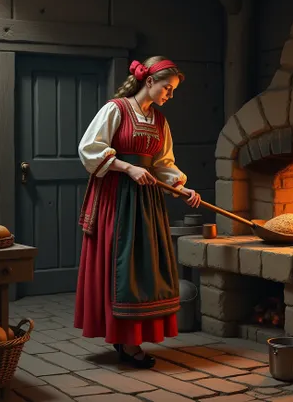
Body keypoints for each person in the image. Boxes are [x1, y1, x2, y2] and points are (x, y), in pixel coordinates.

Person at [74, 56, 201, 369]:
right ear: (149, 82)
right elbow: (89, 148)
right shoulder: (115, 109)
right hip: (116, 199)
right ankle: (126, 341)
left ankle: (130, 337)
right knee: (122, 263)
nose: (169, 95)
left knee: (143, 267)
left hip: (146, 202)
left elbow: (162, 164)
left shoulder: (159, 121)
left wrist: (182, 188)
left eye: (172, 91)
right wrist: (127, 167)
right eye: (167, 88)